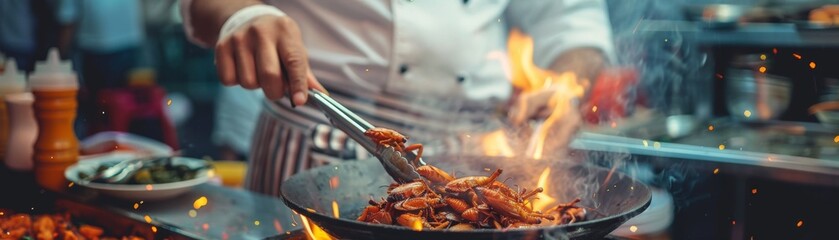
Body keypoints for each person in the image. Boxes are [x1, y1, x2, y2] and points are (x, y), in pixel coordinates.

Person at [182, 0, 614, 196]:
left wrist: (564, 86)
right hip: (313, 137)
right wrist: (242, 12)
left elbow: (571, 18)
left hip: (473, 152)